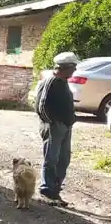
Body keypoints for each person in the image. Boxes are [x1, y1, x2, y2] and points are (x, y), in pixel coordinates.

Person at [35, 51, 78, 206]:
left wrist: (72, 119)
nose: (75, 71)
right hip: (54, 126)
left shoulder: (64, 82)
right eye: (73, 67)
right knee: (51, 159)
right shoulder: (51, 81)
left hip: (66, 126)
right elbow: (41, 106)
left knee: (64, 159)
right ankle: (47, 189)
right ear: (65, 67)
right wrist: (52, 123)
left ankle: (55, 189)